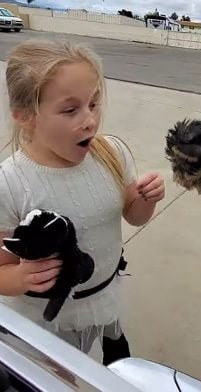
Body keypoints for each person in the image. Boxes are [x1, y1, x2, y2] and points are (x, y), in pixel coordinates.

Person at [0, 39, 165, 365]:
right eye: (70, 109)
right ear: (25, 117)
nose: (90, 120)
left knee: (113, 354)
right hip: (48, 317)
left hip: (105, 293)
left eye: (94, 103)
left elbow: (134, 216)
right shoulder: (10, 183)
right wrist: (20, 279)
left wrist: (147, 199)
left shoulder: (111, 153)